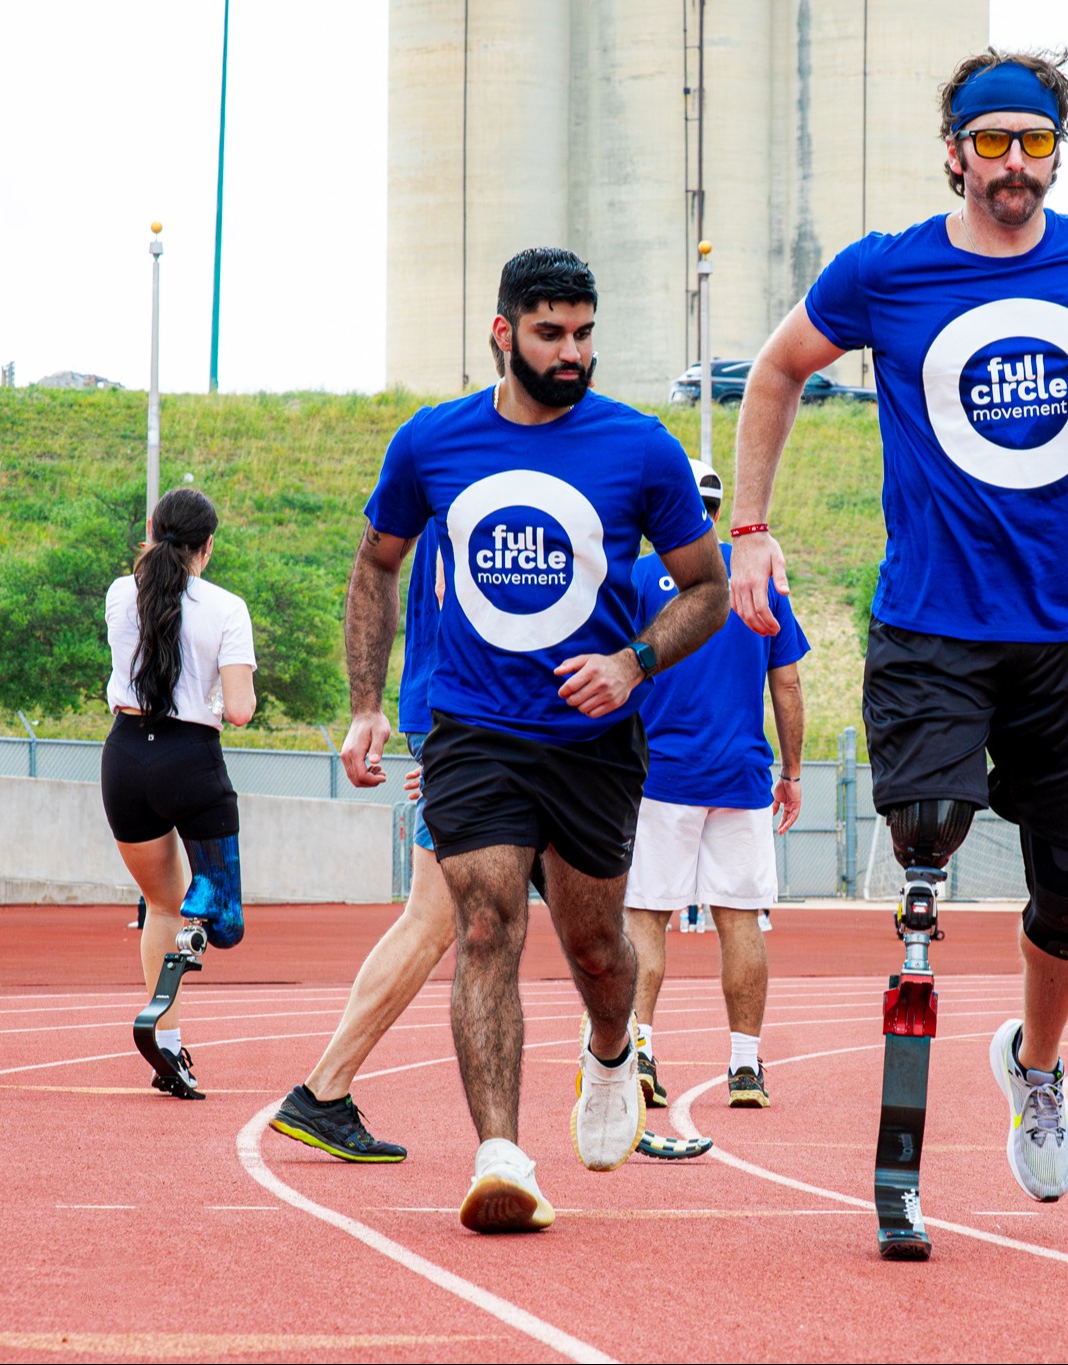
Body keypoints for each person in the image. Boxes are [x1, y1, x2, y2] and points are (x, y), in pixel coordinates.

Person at [729, 47, 1068, 1206]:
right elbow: (775, 369)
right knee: (926, 829)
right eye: (991, 142)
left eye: (1032, 143)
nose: (1012, 164)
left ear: (1054, 153)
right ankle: (901, 1131)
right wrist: (748, 529)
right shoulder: (885, 271)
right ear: (953, 152)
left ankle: (1035, 1064)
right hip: (931, 623)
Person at [346, 246, 727, 1233]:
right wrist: (366, 702)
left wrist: (634, 662)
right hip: (474, 729)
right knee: (485, 928)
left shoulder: (640, 449)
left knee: (597, 949)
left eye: (584, 334)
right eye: (551, 333)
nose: (572, 353)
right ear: (502, 333)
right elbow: (376, 563)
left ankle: (610, 1053)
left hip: (593, 739)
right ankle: (500, 1154)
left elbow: (708, 589)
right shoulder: (431, 443)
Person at [624, 459, 809, 1112]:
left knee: (647, 915)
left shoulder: (641, 576)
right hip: (741, 776)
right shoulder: (758, 577)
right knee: (740, 919)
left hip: (662, 775)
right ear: (720, 508)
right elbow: (787, 682)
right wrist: (792, 772)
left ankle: (640, 1052)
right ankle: (745, 1066)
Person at [268, 523, 451, 1160]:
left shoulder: (441, 479)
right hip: (482, 719)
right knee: (583, 910)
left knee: (433, 921)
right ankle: (618, 1088)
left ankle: (323, 1091)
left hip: (463, 716)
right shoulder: (478, 479)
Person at [100, 486, 255, 1097]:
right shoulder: (227, 608)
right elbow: (239, 710)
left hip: (125, 759)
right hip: (190, 762)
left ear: (151, 528)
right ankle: (201, 920)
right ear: (207, 546)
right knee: (225, 923)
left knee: (158, 904)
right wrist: (211, 698)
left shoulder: (120, 593)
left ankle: (167, 1044)